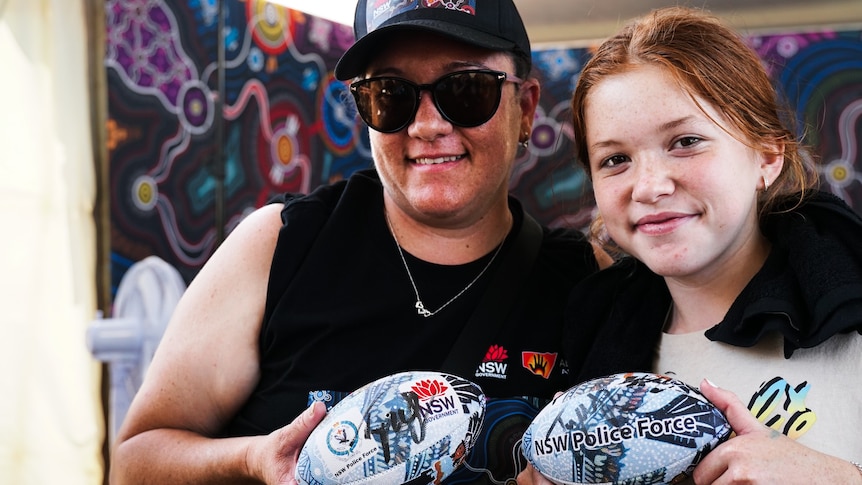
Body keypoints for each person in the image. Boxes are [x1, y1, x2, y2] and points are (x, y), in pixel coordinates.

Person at [110, 1, 610, 484]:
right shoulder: (280, 244)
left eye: (467, 89)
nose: (428, 124)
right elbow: (134, 463)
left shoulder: (589, 281)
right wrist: (253, 460)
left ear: (525, 109)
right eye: (391, 94)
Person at [518, 5, 862, 485]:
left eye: (685, 142)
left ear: (766, 155)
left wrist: (839, 479)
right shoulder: (589, 331)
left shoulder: (853, 307)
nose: (649, 186)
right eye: (615, 159)